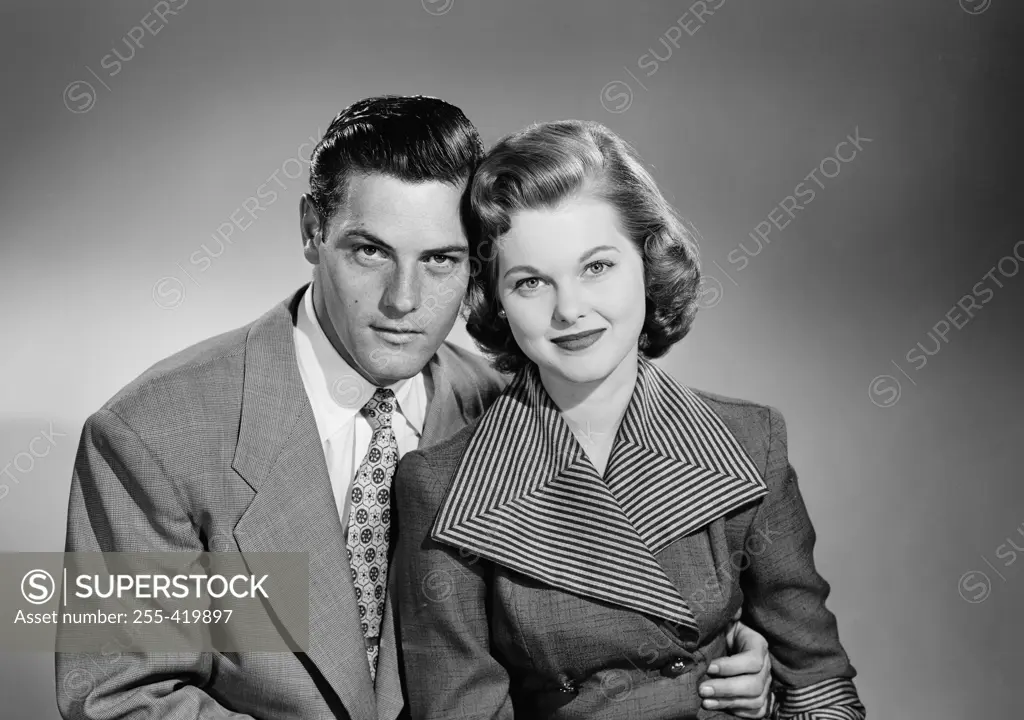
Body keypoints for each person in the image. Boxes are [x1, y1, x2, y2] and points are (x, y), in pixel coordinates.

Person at [56, 97, 773, 720]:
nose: (404, 301)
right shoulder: (149, 436)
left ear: (481, 265)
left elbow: (595, 645)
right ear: (311, 230)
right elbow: (118, 694)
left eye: (440, 260)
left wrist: (734, 664)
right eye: (370, 251)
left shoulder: (511, 413)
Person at [394, 119, 867, 719]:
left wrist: (772, 705)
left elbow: (820, 686)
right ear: (495, 300)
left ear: (647, 262)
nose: (570, 310)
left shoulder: (752, 442)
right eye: (532, 281)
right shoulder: (439, 487)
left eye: (597, 267)